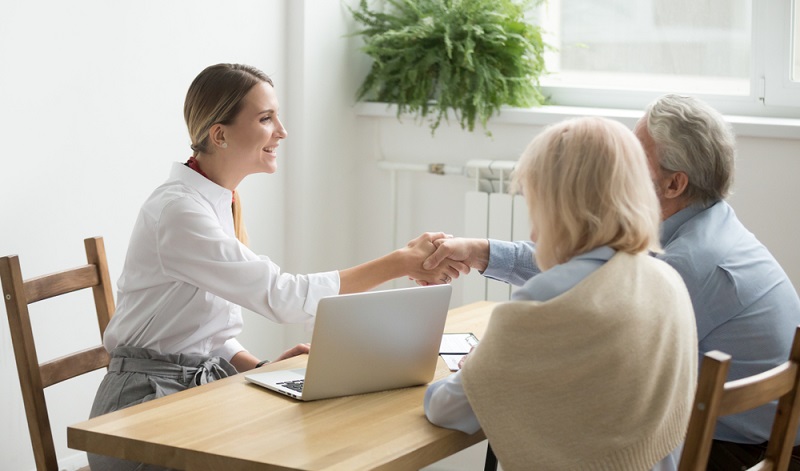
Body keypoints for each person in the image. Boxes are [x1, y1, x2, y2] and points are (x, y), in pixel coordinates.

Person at [88, 63, 463, 471]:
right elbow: (284, 297)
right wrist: (400, 262)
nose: (281, 131)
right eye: (266, 118)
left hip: (193, 392)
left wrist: (260, 367)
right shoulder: (179, 213)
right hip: (142, 408)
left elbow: (200, 331)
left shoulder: (219, 202)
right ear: (220, 134)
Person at [423, 95, 800, 470]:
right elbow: (595, 282)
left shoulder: (686, 265)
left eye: (637, 155)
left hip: (737, 451)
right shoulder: (703, 236)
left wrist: (493, 363)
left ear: (674, 184)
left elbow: (586, 292)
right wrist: (484, 253)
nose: (623, 165)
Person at [424, 116, 698, 470]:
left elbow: (446, 409)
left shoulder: (544, 304)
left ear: (557, 208)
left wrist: (478, 367)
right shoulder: (667, 280)